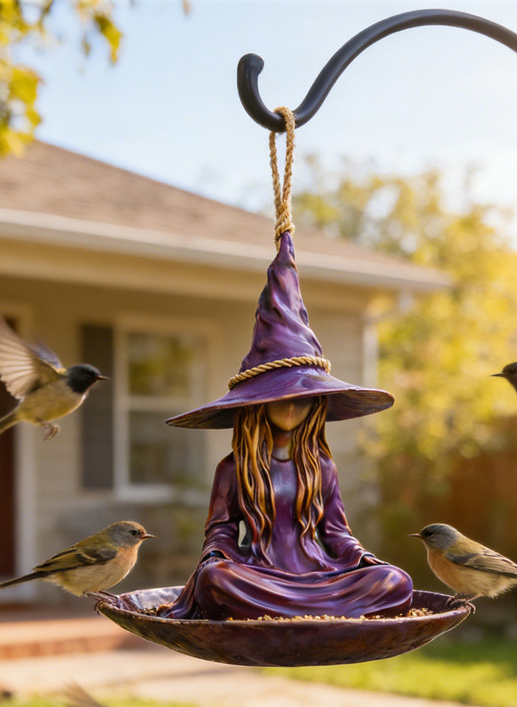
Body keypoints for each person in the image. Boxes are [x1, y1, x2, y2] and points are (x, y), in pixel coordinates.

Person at [164, 233, 413, 621]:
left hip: (321, 575)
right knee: (215, 579)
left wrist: (363, 561)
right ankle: (311, 610)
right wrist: (215, 560)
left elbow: (336, 534)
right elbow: (222, 533)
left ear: (316, 404)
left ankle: (314, 607)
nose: (290, 406)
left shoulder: (321, 467)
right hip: (257, 575)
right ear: (256, 404)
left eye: (301, 397)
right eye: (277, 396)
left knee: (395, 581)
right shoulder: (232, 469)